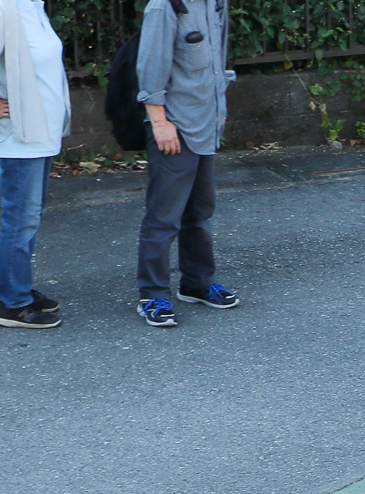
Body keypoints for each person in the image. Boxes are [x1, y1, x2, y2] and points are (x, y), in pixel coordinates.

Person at [0, 0, 69, 329]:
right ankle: (12, 305)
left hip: (40, 135)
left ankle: (13, 287)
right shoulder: (1, 8)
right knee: (21, 220)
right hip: (20, 139)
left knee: (29, 218)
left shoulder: (35, 7)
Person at [135, 0, 239, 328]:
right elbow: (151, 66)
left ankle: (197, 282)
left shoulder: (216, 3)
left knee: (200, 212)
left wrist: (220, 107)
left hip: (206, 121)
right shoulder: (165, 7)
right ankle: (152, 295)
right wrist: (159, 122)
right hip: (174, 126)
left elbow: (218, 58)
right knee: (163, 217)